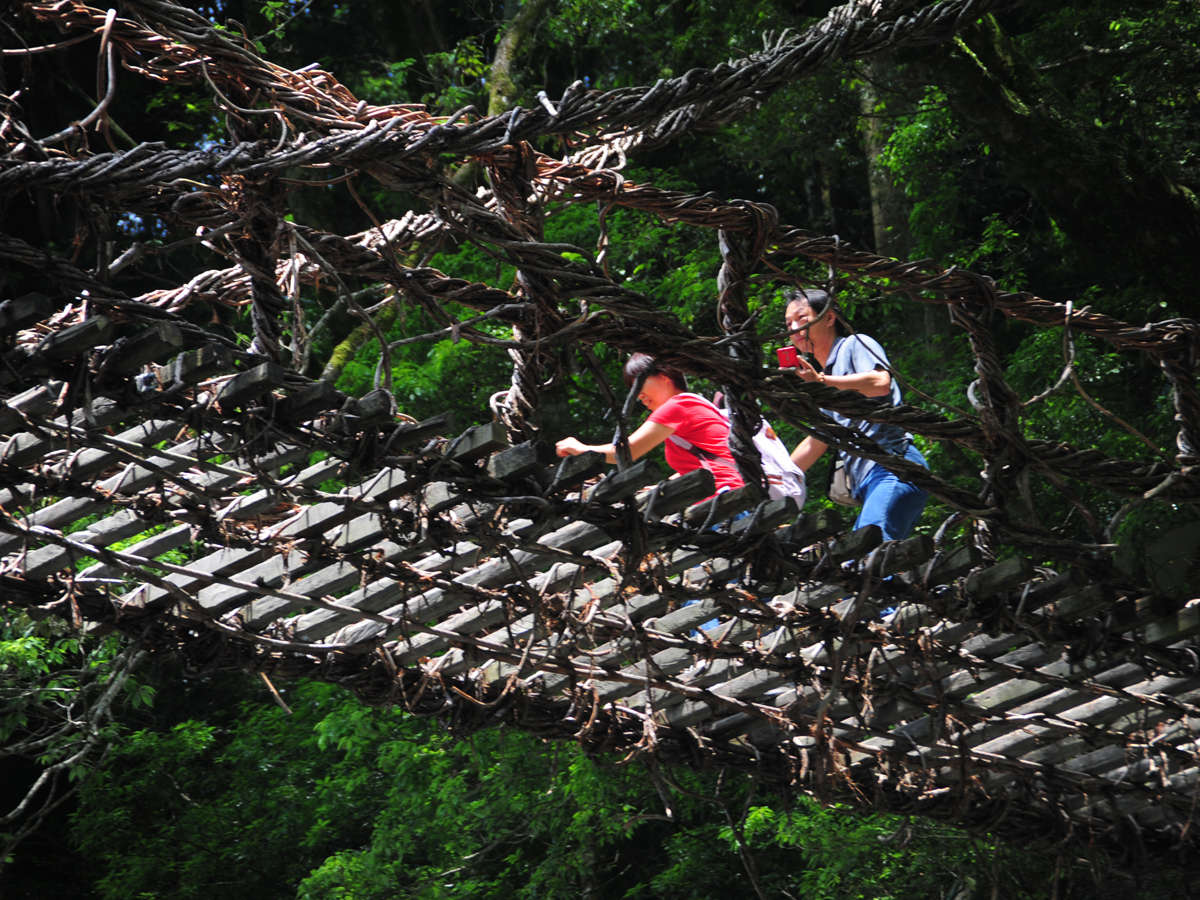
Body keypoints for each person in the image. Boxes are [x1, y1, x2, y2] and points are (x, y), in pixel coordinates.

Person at [782, 289, 928, 541]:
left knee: (865, 556)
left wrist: (822, 381)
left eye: (802, 319)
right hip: (868, 482)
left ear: (829, 318)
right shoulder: (825, 381)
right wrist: (778, 475)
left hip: (893, 467)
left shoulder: (855, 344)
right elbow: (817, 440)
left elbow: (880, 382)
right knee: (862, 563)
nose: (794, 328)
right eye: (788, 324)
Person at [555, 353, 744, 499]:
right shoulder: (696, 404)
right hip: (735, 490)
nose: (638, 395)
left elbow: (626, 452)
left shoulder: (677, 406)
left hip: (723, 494)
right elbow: (707, 462)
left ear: (664, 376)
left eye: (639, 384)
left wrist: (582, 449)